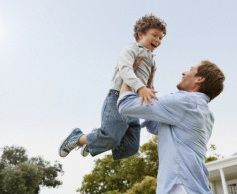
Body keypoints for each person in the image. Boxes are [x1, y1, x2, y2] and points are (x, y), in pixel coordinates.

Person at [58, 14, 167, 160]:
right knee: (111, 136)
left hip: (134, 104)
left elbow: (148, 83)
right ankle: (78, 137)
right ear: (141, 34)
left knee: (131, 148)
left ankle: (93, 142)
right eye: (154, 35)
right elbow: (126, 70)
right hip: (118, 97)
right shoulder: (131, 49)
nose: (158, 40)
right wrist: (141, 88)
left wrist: (149, 92)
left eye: (161, 38)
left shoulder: (152, 60)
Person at [117, 60, 225, 194]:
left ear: (199, 79)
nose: (184, 72)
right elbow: (154, 125)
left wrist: (128, 73)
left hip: (180, 187)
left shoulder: (186, 101)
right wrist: (148, 83)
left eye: (191, 69)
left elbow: (125, 105)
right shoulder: (205, 113)